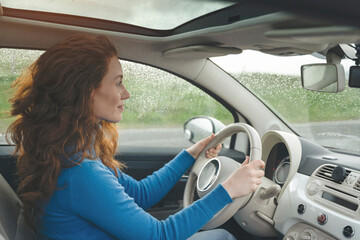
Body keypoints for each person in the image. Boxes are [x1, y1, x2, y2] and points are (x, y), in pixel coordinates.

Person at [6, 34, 265, 240]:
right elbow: (159, 235)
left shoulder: (73, 150)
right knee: (224, 236)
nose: (126, 93)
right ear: (86, 92)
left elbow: (140, 194)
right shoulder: (80, 173)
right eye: (118, 82)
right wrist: (230, 189)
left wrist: (191, 154)